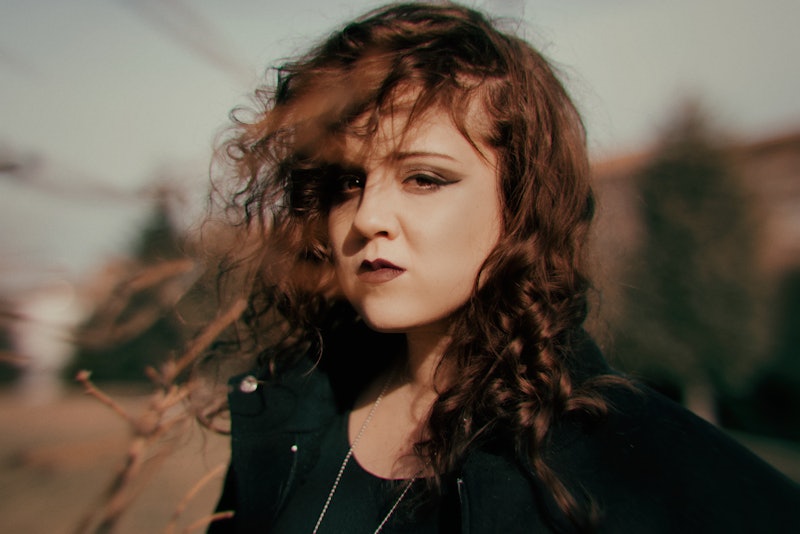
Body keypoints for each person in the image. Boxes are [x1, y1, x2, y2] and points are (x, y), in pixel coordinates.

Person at [204, 2, 799, 532]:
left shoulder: (640, 461)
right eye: (347, 182)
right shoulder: (288, 406)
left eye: (424, 178)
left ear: (520, 203)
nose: (367, 217)